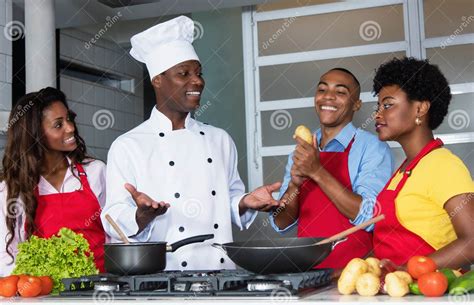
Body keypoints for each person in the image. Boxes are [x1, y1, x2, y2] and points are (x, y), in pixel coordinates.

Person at [101, 16, 280, 271]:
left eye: (198, 73)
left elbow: (224, 202)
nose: (197, 81)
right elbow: (111, 217)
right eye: (183, 74)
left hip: (222, 275)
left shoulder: (220, 140)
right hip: (165, 278)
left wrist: (244, 202)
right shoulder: (129, 145)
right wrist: (141, 216)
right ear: (158, 80)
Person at [270, 68, 394, 269]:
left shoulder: (373, 148)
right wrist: (294, 186)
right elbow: (281, 223)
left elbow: (371, 216)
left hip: (356, 276)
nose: (328, 96)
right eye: (322, 89)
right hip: (307, 274)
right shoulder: (302, 150)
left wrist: (317, 172)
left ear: (357, 104)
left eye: (341, 92)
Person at [372, 57, 474, 269]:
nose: (378, 114)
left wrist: (407, 270)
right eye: (378, 106)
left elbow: (471, 242)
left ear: (420, 109)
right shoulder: (403, 170)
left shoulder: (443, 165)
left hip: (431, 297)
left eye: (388, 105)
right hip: (397, 294)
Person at [0, 87, 107, 275]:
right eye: (58, 125)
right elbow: (7, 255)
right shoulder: (12, 188)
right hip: (45, 297)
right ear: (35, 135)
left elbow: (116, 233)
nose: (71, 128)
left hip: (102, 287)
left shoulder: (95, 171)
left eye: (69, 119)